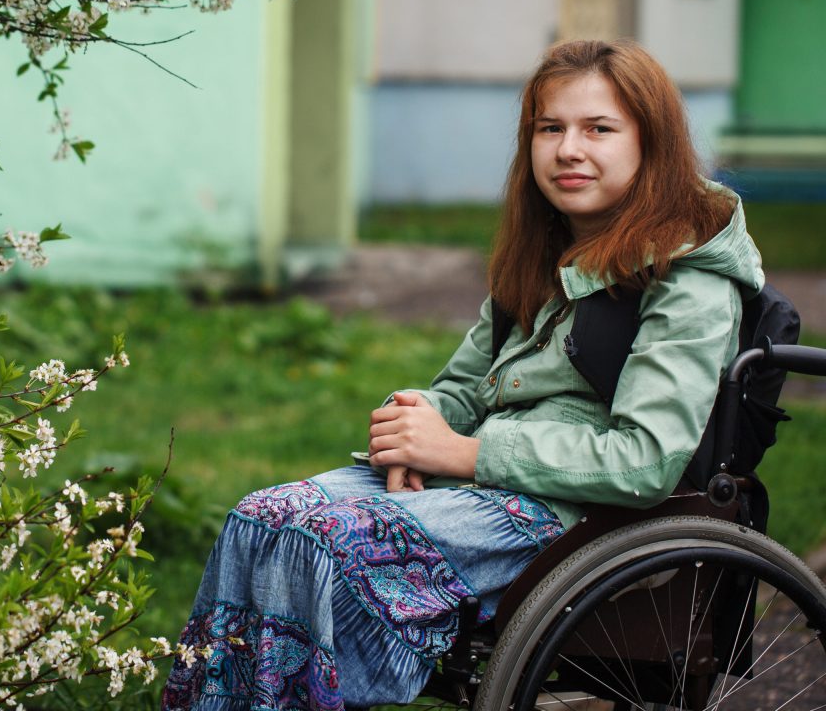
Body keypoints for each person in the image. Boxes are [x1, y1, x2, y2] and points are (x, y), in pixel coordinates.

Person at [161, 39, 765, 711]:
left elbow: (644, 460)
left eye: (599, 129)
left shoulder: (688, 282)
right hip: (484, 478)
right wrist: (411, 422)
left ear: (651, 144)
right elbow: (462, 387)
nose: (569, 149)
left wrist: (462, 452)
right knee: (261, 517)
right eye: (550, 128)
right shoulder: (548, 253)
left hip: (577, 511)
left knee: (314, 538)